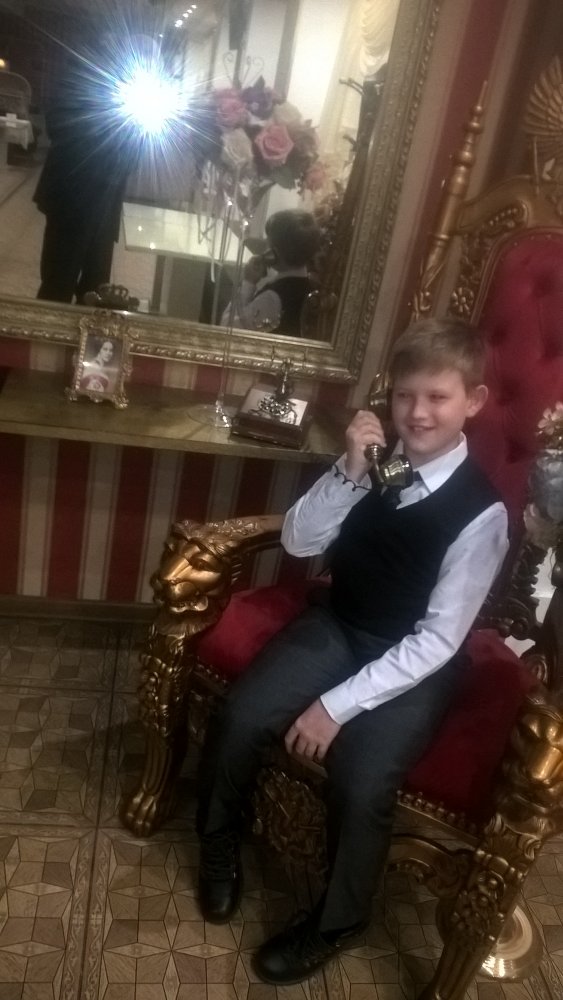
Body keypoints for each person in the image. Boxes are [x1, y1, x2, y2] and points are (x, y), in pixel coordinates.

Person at [195, 317, 509, 984]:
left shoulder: (483, 513)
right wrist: (349, 468)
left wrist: (335, 706)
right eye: (404, 396)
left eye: (437, 397)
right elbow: (300, 542)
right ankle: (218, 840)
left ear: (473, 401)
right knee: (243, 714)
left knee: (363, 779)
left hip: (413, 657)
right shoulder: (378, 461)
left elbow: (439, 638)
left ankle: (339, 920)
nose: (416, 413)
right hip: (341, 622)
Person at [34, 44, 140, 304]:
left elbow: (133, 151)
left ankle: (85, 332)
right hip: (70, 200)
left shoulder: (132, 91)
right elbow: (57, 125)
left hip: (106, 203)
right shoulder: (80, 77)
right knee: (57, 283)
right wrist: (105, 119)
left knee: (97, 288)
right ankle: (49, 331)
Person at [220, 209, 321, 335]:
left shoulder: (272, 299)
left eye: (268, 240)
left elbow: (227, 327)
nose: (265, 242)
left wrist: (248, 282)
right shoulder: (309, 286)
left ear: (274, 253)